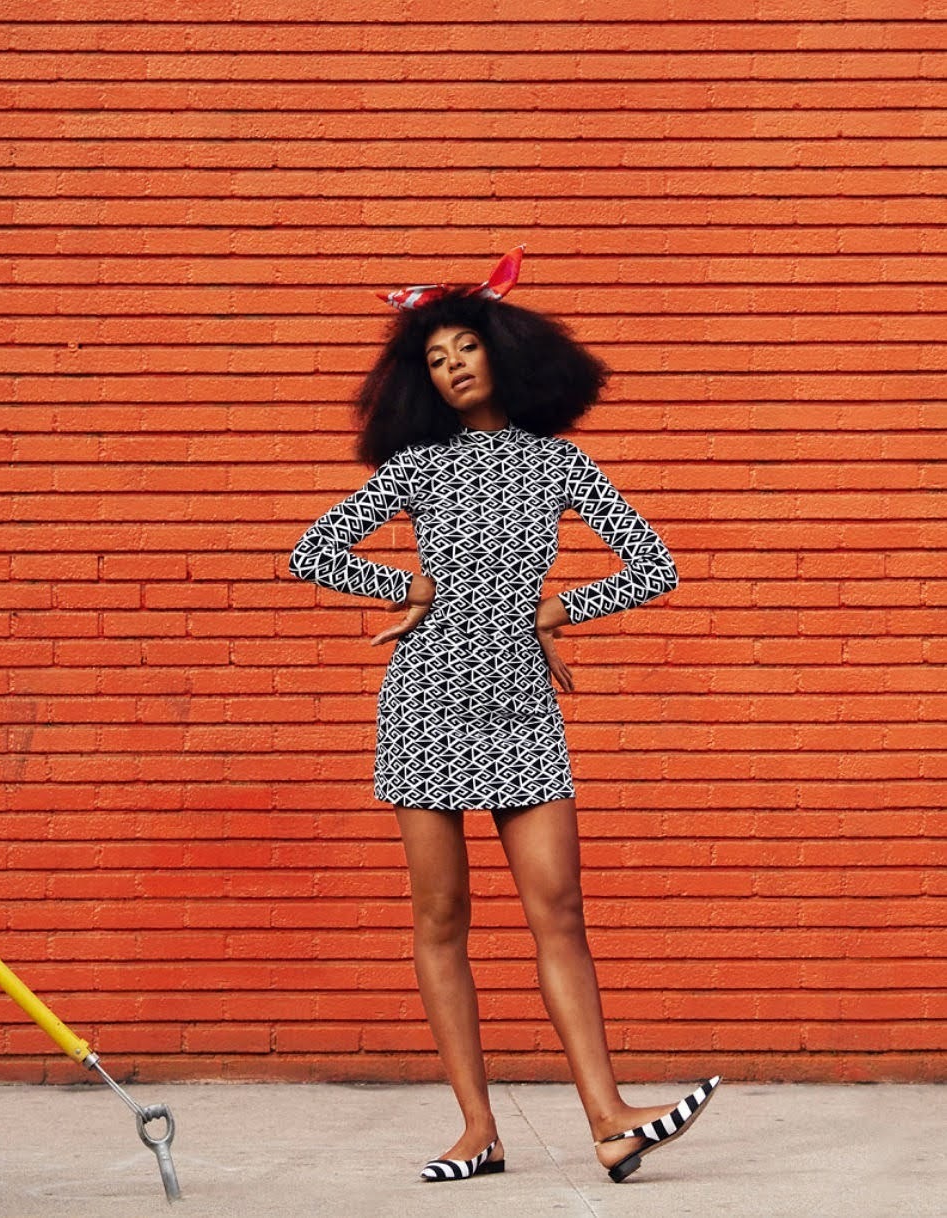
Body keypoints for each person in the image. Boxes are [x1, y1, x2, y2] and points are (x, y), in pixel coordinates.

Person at [288, 246, 721, 1184]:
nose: (451, 365)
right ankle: (477, 1128)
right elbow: (314, 549)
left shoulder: (558, 463)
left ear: (501, 353)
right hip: (425, 703)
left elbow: (653, 566)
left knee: (558, 911)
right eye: (435, 357)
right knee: (440, 919)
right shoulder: (415, 468)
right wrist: (404, 584)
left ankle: (610, 1120)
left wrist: (562, 607)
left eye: (464, 348)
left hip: (521, 707)